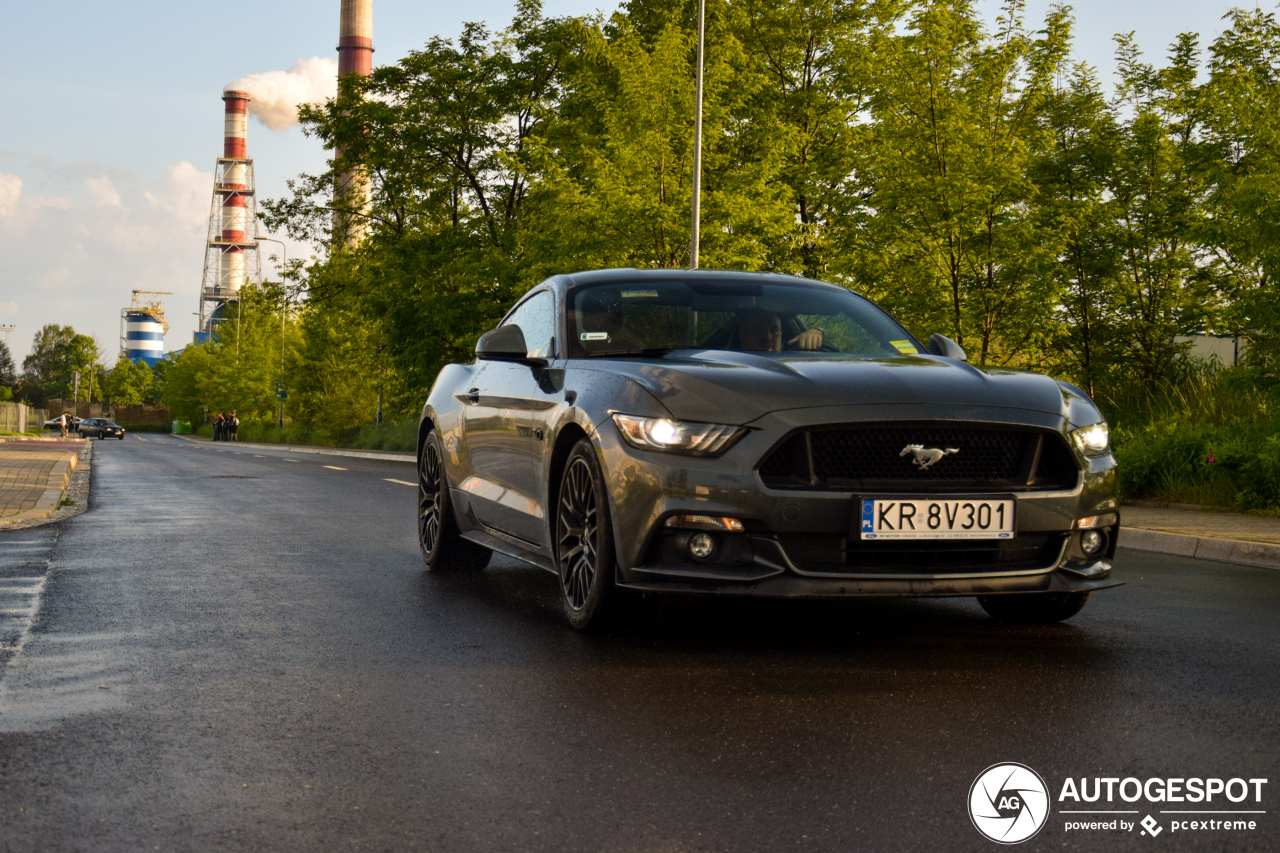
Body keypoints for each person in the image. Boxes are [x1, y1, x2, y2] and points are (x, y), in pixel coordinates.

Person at [737, 308, 824, 352]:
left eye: (774, 331)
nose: (768, 337)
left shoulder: (795, 362)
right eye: (758, 330)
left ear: (781, 335)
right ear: (743, 336)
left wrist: (816, 335)